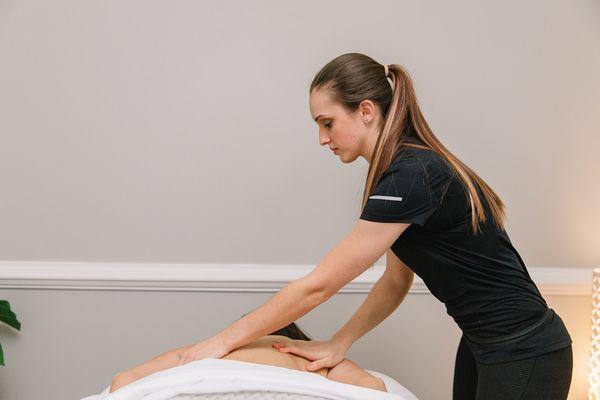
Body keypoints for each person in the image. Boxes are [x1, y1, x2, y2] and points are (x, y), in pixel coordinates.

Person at [125, 52, 573, 399]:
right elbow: (395, 281)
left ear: (365, 110)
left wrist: (218, 344)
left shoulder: (411, 175)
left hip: (525, 350)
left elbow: (318, 286)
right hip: (482, 343)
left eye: (327, 123)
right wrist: (340, 342)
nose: (322, 138)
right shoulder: (398, 172)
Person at [109, 318, 386, 393]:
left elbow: (125, 378)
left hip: (203, 386)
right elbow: (372, 389)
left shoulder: (205, 352)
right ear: (297, 338)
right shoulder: (315, 359)